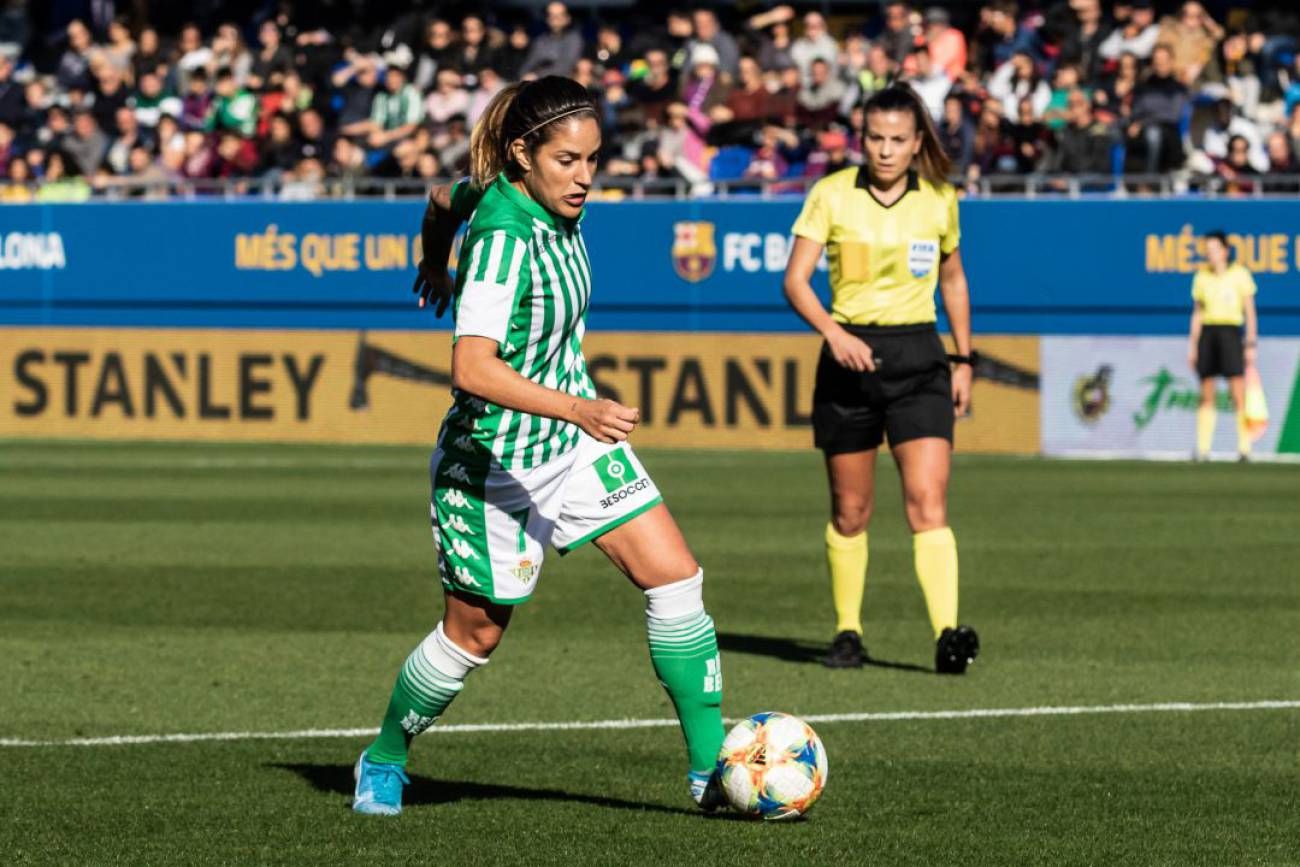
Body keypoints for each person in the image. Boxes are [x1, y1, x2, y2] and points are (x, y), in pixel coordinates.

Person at [352, 75, 726, 816]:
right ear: (524, 155)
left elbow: (441, 199)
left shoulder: (518, 194)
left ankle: (711, 772)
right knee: (475, 634)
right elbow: (472, 366)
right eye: (567, 161)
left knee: (676, 578)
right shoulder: (502, 241)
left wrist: (431, 259)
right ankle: (386, 754)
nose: (584, 176)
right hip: (493, 464)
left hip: (572, 444)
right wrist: (578, 407)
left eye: (593, 159)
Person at [782, 84, 979, 674]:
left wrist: (964, 360)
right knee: (851, 511)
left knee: (927, 502)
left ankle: (948, 634)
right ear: (860, 138)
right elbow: (795, 281)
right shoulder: (831, 194)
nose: (886, 150)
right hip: (849, 361)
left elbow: (954, 281)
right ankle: (848, 631)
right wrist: (835, 334)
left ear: (918, 142)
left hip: (920, 359)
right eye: (876, 138)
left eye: (898, 140)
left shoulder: (940, 199)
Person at [1189, 230, 1257, 462]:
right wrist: (1193, 345)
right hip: (1209, 333)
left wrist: (1250, 343)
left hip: (1230, 332)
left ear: (1225, 251)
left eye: (1215, 249)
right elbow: (1197, 313)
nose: (1211, 254)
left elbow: (1249, 311)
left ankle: (1244, 448)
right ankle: (1203, 448)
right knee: (1206, 392)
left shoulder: (1240, 275)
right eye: (1207, 250)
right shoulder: (1201, 277)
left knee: (1237, 391)